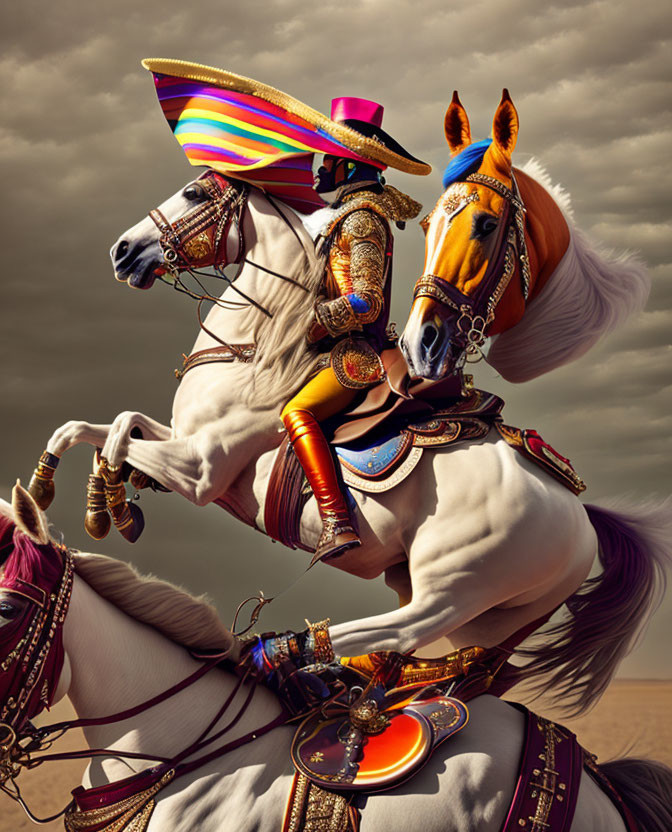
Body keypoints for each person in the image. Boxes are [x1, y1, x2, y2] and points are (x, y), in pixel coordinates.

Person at [281, 97, 425, 563]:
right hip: (333, 350)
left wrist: (311, 323)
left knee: (298, 413)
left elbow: (366, 302)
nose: (320, 167)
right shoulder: (346, 215)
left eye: (328, 159)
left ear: (347, 165)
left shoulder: (362, 217)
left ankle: (336, 520)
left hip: (355, 355)